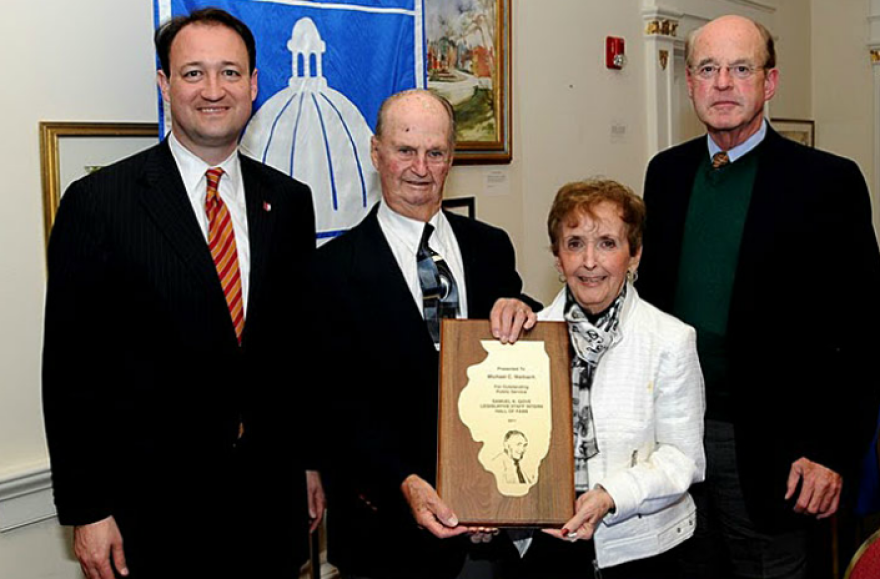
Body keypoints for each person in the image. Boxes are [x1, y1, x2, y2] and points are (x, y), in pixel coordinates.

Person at [42, 8, 321, 579]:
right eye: (193, 73)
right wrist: (88, 510)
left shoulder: (289, 202)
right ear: (165, 85)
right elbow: (71, 371)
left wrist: (310, 465)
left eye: (230, 72)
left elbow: (296, 353)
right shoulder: (99, 203)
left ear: (254, 84)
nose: (214, 90)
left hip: (268, 509)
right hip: (151, 519)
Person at [639, 14, 880, 579]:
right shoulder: (666, 176)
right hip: (674, 442)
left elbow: (866, 332)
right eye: (707, 69)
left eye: (740, 68)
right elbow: (646, 307)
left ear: (769, 83)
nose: (722, 83)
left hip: (780, 455)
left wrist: (833, 453)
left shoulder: (828, 182)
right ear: (690, 83)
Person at [314, 88, 539, 579]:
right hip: (384, 534)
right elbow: (334, 406)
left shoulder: (491, 247)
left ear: (451, 158)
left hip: (488, 529)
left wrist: (523, 310)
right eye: (404, 150)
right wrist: (401, 481)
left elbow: (526, 351)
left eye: (435, 153)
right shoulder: (330, 271)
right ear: (376, 153)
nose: (420, 167)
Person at [504, 179, 705, 579]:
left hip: (641, 550)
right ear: (558, 259)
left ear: (634, 256)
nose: (589, 261)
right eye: (575, 243)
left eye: (608, 243)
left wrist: (613, 496)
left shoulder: (670, 339)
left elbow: (683, 459)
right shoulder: (523, 338)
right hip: (545, 547)